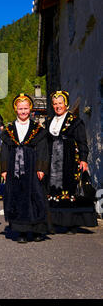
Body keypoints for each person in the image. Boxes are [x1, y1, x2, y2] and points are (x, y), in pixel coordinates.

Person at [45, 90, 97, 234]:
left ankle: (71, 223)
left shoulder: (75, 121)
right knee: (54, 190)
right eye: (55, 104)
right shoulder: (49, 122)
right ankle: (55, 221)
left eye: (60, 103)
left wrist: (83, 160)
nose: (57, 106)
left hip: (69, 161)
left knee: (69, 190)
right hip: (52, 162)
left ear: (66, 104)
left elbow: (82, 142)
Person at [0, 93, 49, 243]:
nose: (23, 111)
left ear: (30, 109)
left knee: (36, 196)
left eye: (26, 108)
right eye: (20, 108)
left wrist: (41, 168)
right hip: (14, 165)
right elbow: (4, 151)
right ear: (16, 109)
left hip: (32, 165)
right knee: (17, 197)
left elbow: (42, 149)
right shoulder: (9, 130)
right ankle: (20, 232)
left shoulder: (37, 129)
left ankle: (37, 231)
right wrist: (4, 169)